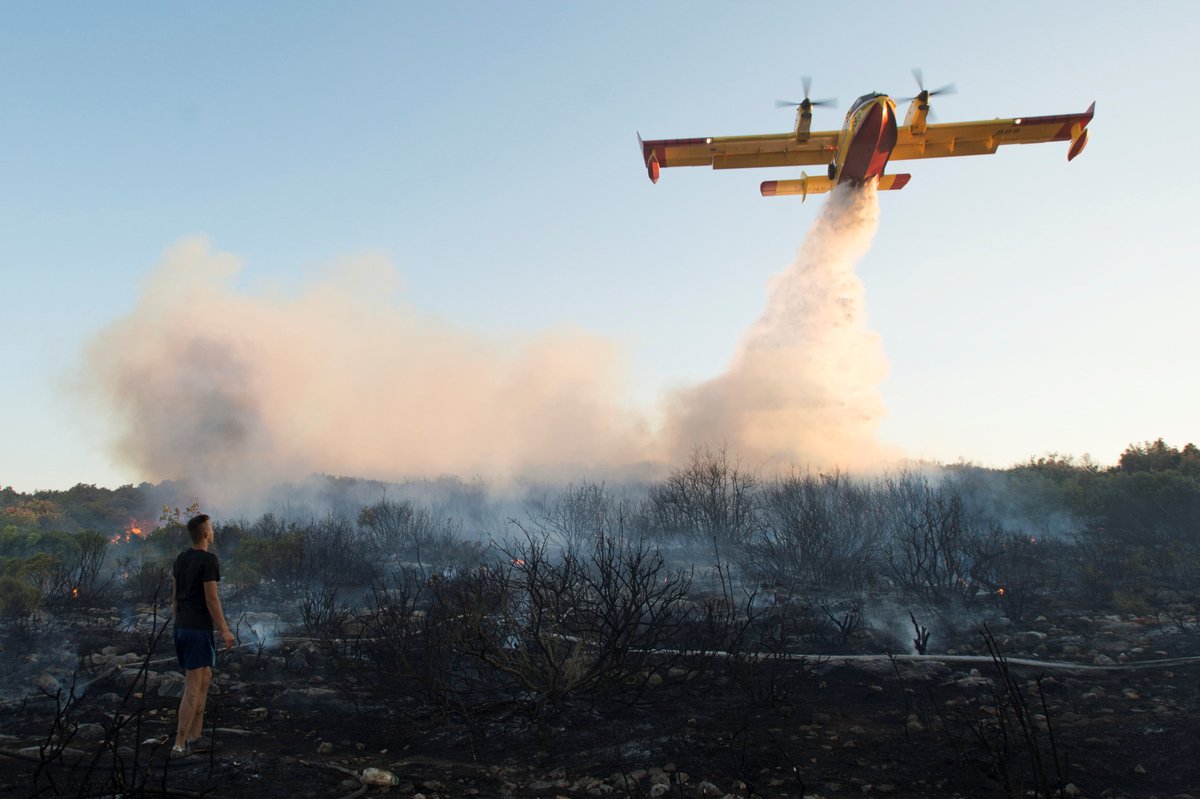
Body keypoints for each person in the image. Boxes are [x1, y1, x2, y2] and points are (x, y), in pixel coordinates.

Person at [171, 513, 235, 757]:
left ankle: (195, 737)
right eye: (211, 529)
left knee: (205, 677)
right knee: (193, 688)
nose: (213, 532)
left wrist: (180, 624)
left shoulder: (181, 559)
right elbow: (212, 598)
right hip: (197, 630)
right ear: (206, 534)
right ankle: (179, 744)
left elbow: (174, 598)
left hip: (184, 628)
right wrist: (225, 630)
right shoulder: (208, 560)